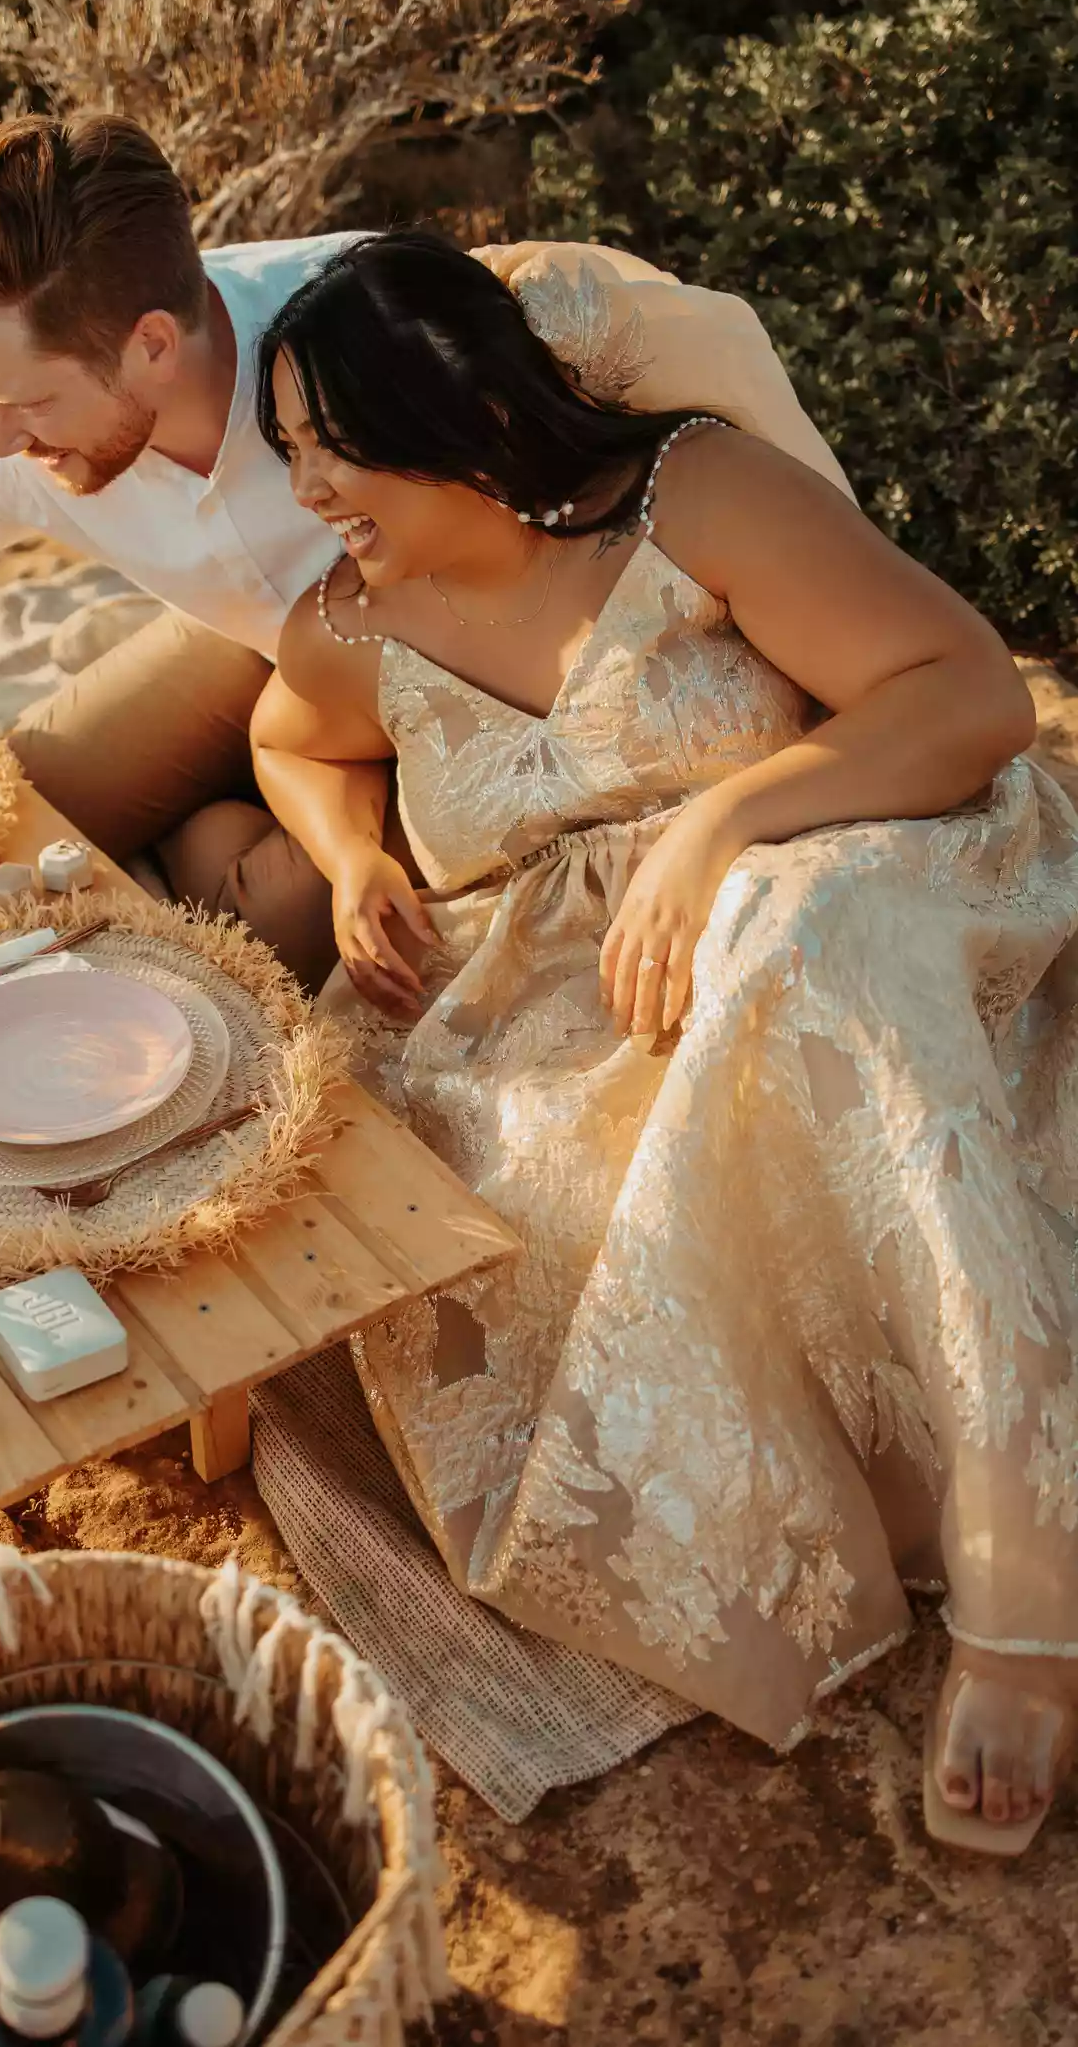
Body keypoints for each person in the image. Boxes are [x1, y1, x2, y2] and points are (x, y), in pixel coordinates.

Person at [248, 229, 1078, 1852]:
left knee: (799, 947)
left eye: (333, 452)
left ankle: (1026, 1596)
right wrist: (352, 861)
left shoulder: (686, 498)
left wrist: (724, 834)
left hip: (859, 855)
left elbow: (965, 692)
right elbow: (291, 742)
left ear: (466, 423)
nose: (306, 496)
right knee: (507, 1224)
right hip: (575, 993)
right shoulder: (354, 619)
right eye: (289, 457)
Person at [0, 112, 854, 988]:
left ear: (148, 342)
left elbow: (652, 478)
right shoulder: (5, 426)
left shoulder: (369, 328)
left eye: (27, 402)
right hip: (259, 650)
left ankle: (217, 846)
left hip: (440, 677)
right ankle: (204, 828)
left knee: (289, 914)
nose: (1, 441)